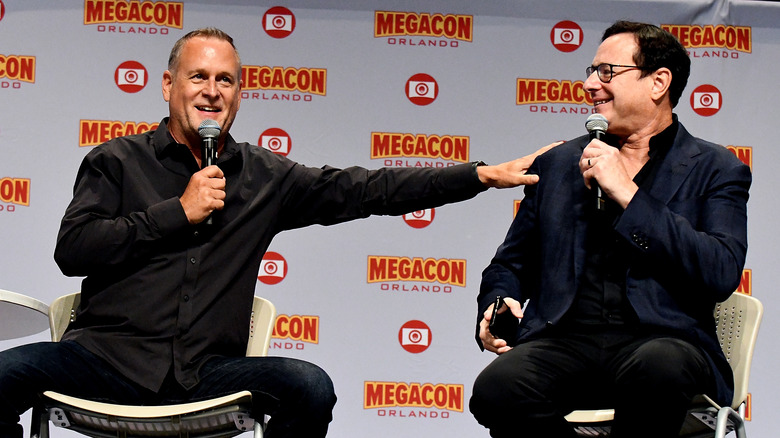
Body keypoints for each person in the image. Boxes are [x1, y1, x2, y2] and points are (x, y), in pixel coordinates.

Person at [0, 28, 557, 438]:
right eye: (199, 76)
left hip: (206, 373)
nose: (212, 91)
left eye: (226, 80)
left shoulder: (265, 177)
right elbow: (73, 250)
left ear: (239, 94)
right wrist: (178, 212)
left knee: (308, 385)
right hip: (106, 360)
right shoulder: (116, 161)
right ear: (168, 85)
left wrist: (480, 175)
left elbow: (368, 188)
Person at [469, 21, 750, 438]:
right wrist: (498, 301)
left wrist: (628, 194)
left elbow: (720, 271)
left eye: (606, 72)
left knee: (658, 368)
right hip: (566, 341)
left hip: (662, 341)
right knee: (497, 388)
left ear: (658, 82)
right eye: (590, 71)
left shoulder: (716, 168)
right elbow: (509, 264)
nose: (588, 85)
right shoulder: (560, 163)